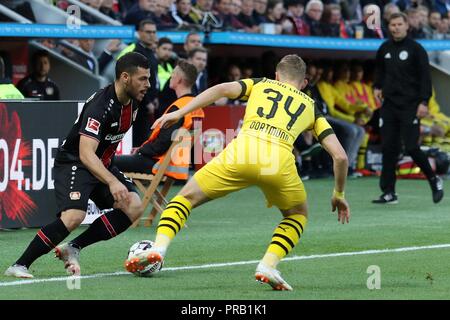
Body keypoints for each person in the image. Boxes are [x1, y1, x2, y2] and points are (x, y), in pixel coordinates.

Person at [124, 54, 350, 291]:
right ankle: (268, 265)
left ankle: (158, 249)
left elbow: (221, 89)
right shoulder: (310, 106)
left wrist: (179, 113)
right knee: (296, 215)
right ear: (304, 83)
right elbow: (341, 156)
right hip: (279, 164)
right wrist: (339, 193)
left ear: (276, 76)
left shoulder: (261, 84)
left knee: (184, 199)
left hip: (242, 154)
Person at [4, 52, 151, 279]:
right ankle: (20, 264)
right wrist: (112, 181)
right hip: (75, 161)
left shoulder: (134, 103)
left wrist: (111, 175)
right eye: (143, 79)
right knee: (74, 216)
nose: (148, 84)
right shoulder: (100, 107)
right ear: (124, 77)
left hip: (100, 163)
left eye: (148, 79)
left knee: (133, 206)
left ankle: (73, 247)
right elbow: (85, 153)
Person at [372, 12, 444, 204]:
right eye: (392, 24)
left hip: (410, 106)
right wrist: (377, 87)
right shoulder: (384, 48)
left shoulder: (416, 49)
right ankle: (389, 192)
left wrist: (424, 102)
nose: (395, 27)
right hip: (389, 105)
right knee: (389, 148)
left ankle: (434, 179)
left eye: (399, 24)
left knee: (412, 147)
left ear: (406, 26)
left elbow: (425, 79)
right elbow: (379, 71)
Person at [114, 59, 198, 177]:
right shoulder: (195, 106)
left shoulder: (179, 108)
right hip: (176, 165)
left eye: (172, 74)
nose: (170, 76)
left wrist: (140, 150)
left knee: (106, 161)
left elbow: (162, 144)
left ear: (179, 79)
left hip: (159, 164)